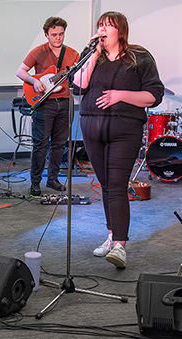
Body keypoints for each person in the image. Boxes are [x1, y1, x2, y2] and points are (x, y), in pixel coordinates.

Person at [73, 11, 164, 268]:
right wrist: (91, 55)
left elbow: (153, 95)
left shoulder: (139, 58)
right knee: (105, 184)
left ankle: (121, 246)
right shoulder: (92, 55)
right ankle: (112, 236)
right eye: (100, 25)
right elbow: (78, 87)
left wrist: (120, 95)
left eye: (108, 26)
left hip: (125, 130)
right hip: (92, 127)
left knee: (116, 185)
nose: (102, 29)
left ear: (120, 31)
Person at [16, 16, 80, 197]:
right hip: (45, 103)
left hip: (66, 102)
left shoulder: (73, 54)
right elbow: (20, 71)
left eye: (61, 34)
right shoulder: (38, 51)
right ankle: (35, 182)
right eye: (54, 34)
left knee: (60, 144)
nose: (58, 38)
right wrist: (33, 82)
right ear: (46, 34)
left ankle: (53, 179)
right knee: (40, 144)